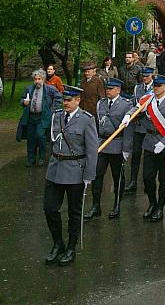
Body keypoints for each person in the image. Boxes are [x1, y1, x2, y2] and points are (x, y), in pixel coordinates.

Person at [43, 86, 98, 266]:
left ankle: (71, 247)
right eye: (64, 100)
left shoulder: (86, 120)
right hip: (55, 169)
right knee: (50, 208)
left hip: (75, 170)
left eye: (69, 100)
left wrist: (89, 175)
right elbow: (52, 141)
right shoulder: (57, 116)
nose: (65, 103)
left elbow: (92, 150)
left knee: (74, 213)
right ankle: (58, 243)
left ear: (77, 100)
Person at [84, 78, 133, 220]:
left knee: (118, 177)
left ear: (118, 90)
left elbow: (128, 129)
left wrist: (126, 148)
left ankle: (117, 205)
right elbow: (97, 124)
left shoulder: (126, 104)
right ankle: (95, 206)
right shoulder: (101, 103)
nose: (108, 91)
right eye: (107, 89)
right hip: (102, 143)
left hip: (117, 144)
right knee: (97, 174)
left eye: (111, 89)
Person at [140, 74, 165, 221]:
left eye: (159, 86)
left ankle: (160, 207)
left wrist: (164, 142)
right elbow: (135, 109)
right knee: (147, 177)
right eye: (154, 86)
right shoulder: (148, 101)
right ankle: (152, 203)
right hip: (150, 142)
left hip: (164, 145)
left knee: (163, 179)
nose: (156, 88)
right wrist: (127, 116)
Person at [20, 69, 62, 166]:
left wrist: (52, 110)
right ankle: (31, 159)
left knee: (40, 136)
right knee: (30, 138)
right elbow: (22, 99)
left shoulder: (49, 89)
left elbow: (58, 98)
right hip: (30, 117)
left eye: (39, 79)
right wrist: (23, 102)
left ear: (43, 79)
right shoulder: (29, 88)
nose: (37, 81)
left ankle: (42, 157)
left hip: (42, 117)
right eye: (35, 79)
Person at [124, 66, 155, 192]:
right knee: (136, 154)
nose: (145, 78)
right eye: (144, 76)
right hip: (138, 126)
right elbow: (134, 102)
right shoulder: (138, 88)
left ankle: (149, 182)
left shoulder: (156, 88)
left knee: (150, 155)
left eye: (147, 76)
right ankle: (133, 180)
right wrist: (129, 114)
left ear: (152, 76)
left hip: (150, 126)